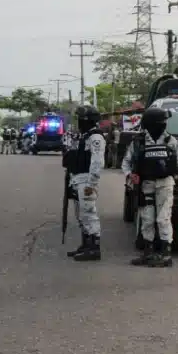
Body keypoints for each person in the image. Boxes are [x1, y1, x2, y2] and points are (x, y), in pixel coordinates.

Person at [122, 107, 178, 268]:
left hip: (165, 183)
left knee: (163, 218)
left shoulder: (170, 141)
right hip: (146, 184)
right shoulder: (138, 141)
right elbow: (126, 162)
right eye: (162, 122)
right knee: (147, 218)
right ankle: (148, 252)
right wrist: (130, 175)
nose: (164, 124)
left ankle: (166, 254)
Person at [64, 105, 105, 261]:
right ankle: (86, 244)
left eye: (81, 119)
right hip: (78, 178)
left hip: (87, 180)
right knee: (81, 214)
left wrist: (91, 184)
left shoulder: (96, 137)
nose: (79, 121)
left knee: (89, 213)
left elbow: (96, 162)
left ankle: (94, 248)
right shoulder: (85, 136)